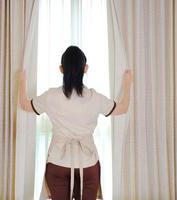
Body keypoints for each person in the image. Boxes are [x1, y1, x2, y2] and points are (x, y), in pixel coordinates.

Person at [18, 46, 133, 200]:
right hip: (88, 164)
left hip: (57, 163)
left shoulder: (51, 96)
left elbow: (25, 105)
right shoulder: (95, 97)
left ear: (61, 69)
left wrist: (21, 81)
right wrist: (127, 83)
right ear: (85, 68)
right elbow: (123, 108)